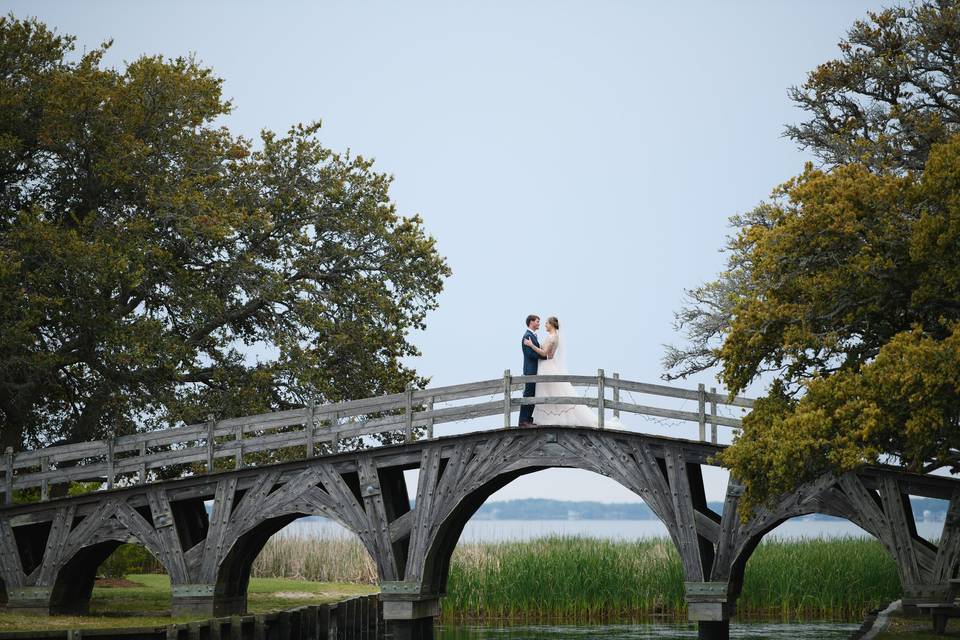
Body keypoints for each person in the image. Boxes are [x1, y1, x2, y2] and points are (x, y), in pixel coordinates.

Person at [524, 316, 620, 427]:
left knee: (552, 392)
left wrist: (531, 345)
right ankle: (547, 418)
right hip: (545, 365)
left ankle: (554, 418)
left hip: (547, 366)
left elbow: (545, 353)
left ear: (551, 324)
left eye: (546, 323)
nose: (544, 325)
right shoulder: (551, 336)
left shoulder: (554, 337)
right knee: (546, 392)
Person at [519, 314, 546, 426]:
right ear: (531, 322)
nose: (539, 323)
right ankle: (523, 420)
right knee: (528, 394)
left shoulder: (533, 336)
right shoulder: (527, 336)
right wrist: (543, 356)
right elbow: (530, 354)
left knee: (533, 394)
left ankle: (529, 418)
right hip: (530, 370)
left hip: (535, 370)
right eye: (537, 321)